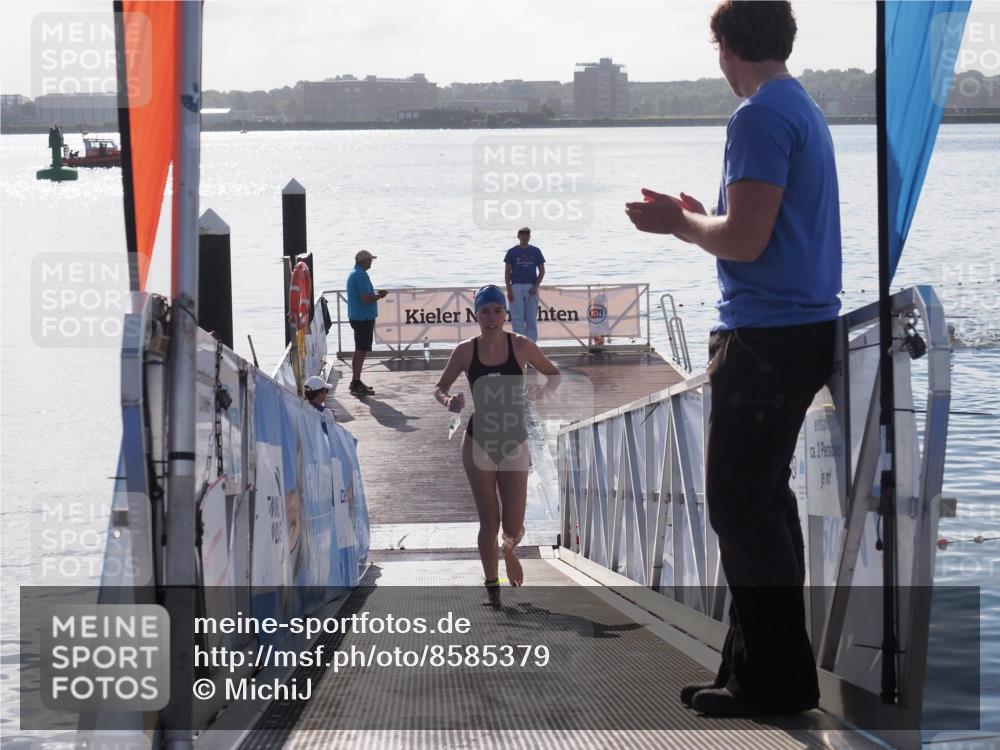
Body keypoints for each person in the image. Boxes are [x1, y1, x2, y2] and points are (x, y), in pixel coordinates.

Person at [625, 0, 840, 718]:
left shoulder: (757, 118)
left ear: (725, 48)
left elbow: (745, 243)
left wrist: (677, 223)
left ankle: (775, 683)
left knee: (740, 510)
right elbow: (762, 228)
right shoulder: (798, 106)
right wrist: (699, 214)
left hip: (765, 337)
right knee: (764, 509)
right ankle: (756, 672)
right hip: (799, 329)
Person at [434, 285, 561, 606]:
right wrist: (450, 401)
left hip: (514, 440)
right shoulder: (465, 351)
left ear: (506, 314)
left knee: (513, 524)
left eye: (497, 311)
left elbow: (553, 374)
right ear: (476, 315)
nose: (492, 318)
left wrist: (542, 393)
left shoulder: (520, 346)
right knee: (488, 520)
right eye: (485, 311)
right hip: (479, 441)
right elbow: (440, 387)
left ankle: (510, 551)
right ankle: (493, 588)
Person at [346, 250, 388, 396]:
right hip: (362, 318)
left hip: (358, 316)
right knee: (360, 350)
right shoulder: (361, 276)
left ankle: (356, 381)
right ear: (364, 261)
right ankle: (356, 382)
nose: (371, 262)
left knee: (360, 349)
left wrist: (375, 295)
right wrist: (379, 296)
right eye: (370, 260)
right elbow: (366, 299)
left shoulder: (355, 273)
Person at [503, 227, 545, 342]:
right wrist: (509, 290)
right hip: (516, 286)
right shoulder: (512, 252)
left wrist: (536, 286)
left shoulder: (536, 251)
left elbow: (542, 271)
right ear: (518, 236)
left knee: (531, 318)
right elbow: (507, 272)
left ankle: (532, 345)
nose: (525, 236)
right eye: (522, 234)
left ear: (530, 236)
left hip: (531, 286)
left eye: (527, 234)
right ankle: (519, 344)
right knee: (517, 319)